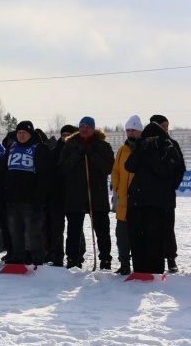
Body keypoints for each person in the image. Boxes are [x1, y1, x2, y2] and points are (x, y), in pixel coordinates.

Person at [125, 122, 182, 274]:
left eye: (153, 138)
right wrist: (140, 149)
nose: (150, 141)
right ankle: (139, 271)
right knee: (137, 238)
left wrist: (151, 153)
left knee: (154, 239)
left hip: (157, 202)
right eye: (147, 138)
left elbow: (164, 171)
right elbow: (129, 166)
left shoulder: (169, 149)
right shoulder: (141, 149)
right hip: (137, 201)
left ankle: (155, 271)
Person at [58, 116, 114, 269]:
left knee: (102, 230)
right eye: (82, 126)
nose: (84, 129)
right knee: (74, 230)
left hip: (97, 195)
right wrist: (77, 154)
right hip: (75, 194)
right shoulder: (70, 145)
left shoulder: (102, 146)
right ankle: (72, 258)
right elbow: (62, 168)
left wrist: (92, 155)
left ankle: (105, 259)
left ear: (93, 128)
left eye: (88, 127)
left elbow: (108, 168)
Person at [0, 121, 50, 266]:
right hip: (12, 198)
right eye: (19, 133)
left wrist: (39, 198)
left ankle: (37, 258)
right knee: (15, 231)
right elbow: (3, 171)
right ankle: (17, 257)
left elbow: (44, 176)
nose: (21, 136)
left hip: (30, 199)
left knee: (33, 232)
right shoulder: (12, 147)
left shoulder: (39, 148)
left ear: (31, 134)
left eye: (25, 133)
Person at [148, 114, 185, 273]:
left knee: (168, 227)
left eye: (166, 126)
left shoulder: (173, 144)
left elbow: (180, 168)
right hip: (148, 196)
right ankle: (152, 259)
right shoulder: (146, 144)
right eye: (162, 126)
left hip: (167, 195)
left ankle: (171, 258)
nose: (165, 129)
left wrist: (172, 186)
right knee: (150, 227)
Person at [111, 115, 143, 275]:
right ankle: (124, 264)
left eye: (134, 130)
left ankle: (140, 265)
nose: (130, 133)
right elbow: (115, 170)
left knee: (138, 235)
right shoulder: (122, 150)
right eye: (128, 130)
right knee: (121, 235)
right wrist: (117, 188)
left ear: (140, 131)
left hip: (139, 201)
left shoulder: (145, 148)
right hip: (123, 199)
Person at [46, 125, 78, 267]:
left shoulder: (79, 151)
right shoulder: (53, 152)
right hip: (56, 195)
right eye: (64, 134)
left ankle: (75, 257)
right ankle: (57, 257)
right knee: (56, 229)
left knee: (75, 230)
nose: (66, 137)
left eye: (69, 134)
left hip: (74, 196)